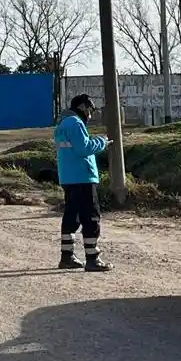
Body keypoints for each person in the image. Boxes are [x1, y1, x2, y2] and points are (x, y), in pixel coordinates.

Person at [54, 94, 113, 272]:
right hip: (83, 177)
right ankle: (93, 259)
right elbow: (84, 148)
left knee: (72, 216)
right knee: (91, 216)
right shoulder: (75, 123)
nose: (91, 114)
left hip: (69, 177)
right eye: (90, 109)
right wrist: (102, 142)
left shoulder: (62, 124)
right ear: (82, 106)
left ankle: (67, 256)